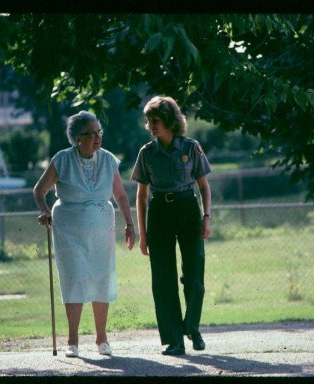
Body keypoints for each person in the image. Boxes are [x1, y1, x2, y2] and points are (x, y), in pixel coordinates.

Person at [33, 111, 135, 358]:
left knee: (101, 277)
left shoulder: (108, 160)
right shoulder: (62, 160)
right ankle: (72, 341)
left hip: (102, 227)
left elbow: (120, 195)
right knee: (75, 277)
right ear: (77, 138)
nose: (97, 137)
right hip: (68, 229)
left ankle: (102, 339)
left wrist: (130, 224)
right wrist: (45, 211)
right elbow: (40, 190)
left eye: (99, 132)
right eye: (91, 133)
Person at [131, 96, 212, 356]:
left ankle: (193, 328)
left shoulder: (191, 147)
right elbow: (142, 195)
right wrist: (143, 234)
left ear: (169, 121)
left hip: (188, 210)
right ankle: (174, 340)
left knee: (194, 276)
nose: (151, 126)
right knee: (163, 280)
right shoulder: (147, 152)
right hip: (159, 213)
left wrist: (207, 217)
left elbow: (204, 187)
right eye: (148, 121)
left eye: (155, 121)